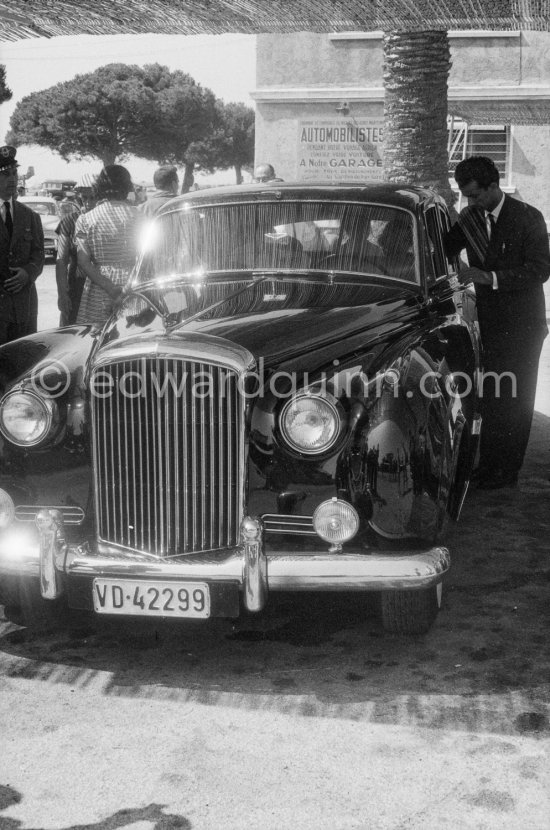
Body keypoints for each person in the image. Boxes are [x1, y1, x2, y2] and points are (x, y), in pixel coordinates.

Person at [445, 155, 550, 489]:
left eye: (475, 194)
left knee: (517, 399)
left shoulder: (528, 218)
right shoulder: (470, 218)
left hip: (523, 325)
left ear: (494, 186)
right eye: (465, 195)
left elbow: (540, 270)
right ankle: (489, 466)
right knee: (492, 395)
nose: (470, 201)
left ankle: (508, 471)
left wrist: (487, 277)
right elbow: (443, 247)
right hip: (490, 324)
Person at [75, 165, 139, 327]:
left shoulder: (86, 219)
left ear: (100, 187)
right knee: (132, 337)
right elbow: (148, 257)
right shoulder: (140, 216)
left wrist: (110, 288)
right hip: (134, 286)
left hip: (99, 288)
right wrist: (126, 290)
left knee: (97, 339)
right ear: (126, 186)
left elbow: (83, 262)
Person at [0, 145, 44, 345]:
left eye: (14, 173)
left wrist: (28, 273)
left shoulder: (29, 216)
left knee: (23, 365)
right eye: (5, 174)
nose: (12, 179)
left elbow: (39, 256)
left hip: (23, 308)